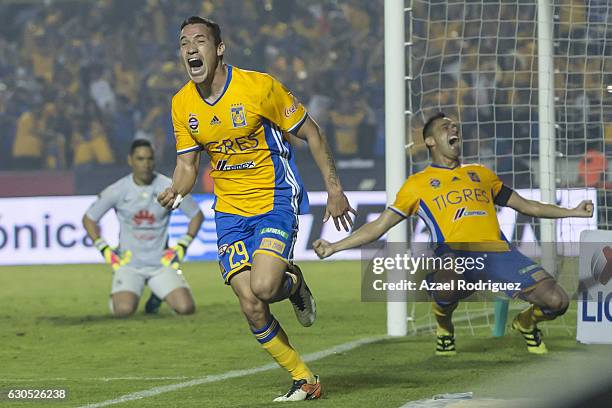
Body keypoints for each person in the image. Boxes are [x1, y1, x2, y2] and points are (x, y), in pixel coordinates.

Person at [157, 16, 355, 402]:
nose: (191, 49)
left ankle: (293, 282)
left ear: (219, 49)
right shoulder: (182, 104)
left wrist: (334, 189)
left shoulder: (258, 87)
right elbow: (187, 166)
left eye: (200, 41)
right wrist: (176, 191)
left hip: (274, 197)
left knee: (265, 287)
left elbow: (311, 131)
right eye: (184, 44)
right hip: (229, 212)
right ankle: (304, 379)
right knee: (250, 303)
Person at [314, 112, 594, 355]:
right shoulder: (417, 185)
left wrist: (572, 211)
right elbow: (379, 226)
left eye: (455, 126)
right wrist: (335, 246)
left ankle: (526, 323)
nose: (454, 129)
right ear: (430, 141)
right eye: (445, 126)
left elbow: (527, 205)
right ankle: (443, 326)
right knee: (449, 283)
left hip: (499, 253)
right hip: (455, 254)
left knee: (557, 301)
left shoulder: (481, 174)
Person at [83, 139, 204, 317]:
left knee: (186, 309)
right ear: (130, 160)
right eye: (140, 159)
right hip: (129, 265)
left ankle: (158, 294)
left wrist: (182, 246)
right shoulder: (118, 190)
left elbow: (196, 215)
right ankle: (126, 296)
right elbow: (89, 219)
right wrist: (105, 250)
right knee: (124, 311)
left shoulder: (168, 187)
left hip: (161, 264)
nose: (146, 164)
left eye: (149, 159)